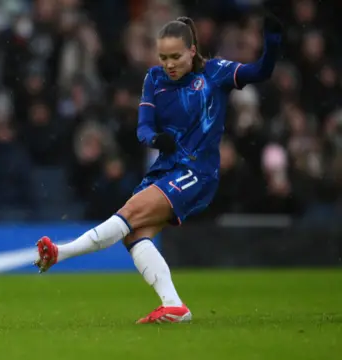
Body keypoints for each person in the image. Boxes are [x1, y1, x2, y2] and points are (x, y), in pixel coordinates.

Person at [33, 9, 283, 323]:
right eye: (163, 57)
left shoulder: (216, 73)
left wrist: (271, 43)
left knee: (129, 215)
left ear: (192, 51)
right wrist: (156, 140)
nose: (169, 64)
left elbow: (260, 72)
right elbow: (144, 128)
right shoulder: (154, 79)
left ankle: (59, 252)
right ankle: (174, 305)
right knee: (134, 234)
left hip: (196, 172)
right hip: (165, 169)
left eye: (176, 56)